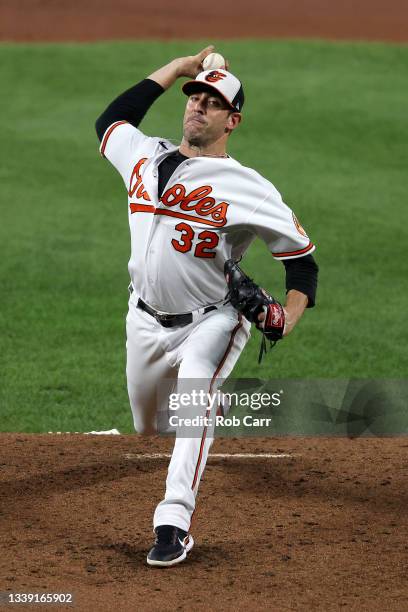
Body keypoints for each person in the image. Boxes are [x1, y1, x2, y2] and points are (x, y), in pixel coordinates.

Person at [95, 46, 318, 567]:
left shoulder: (249, 187)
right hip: (144, 321)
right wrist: (177, 67)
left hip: (211, 320)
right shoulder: (143, 154)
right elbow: (111, 120)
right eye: (195, 96)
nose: (198, 104)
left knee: (195, 393)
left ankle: (172, 522)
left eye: (212, 101)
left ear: (231, 121)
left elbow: (302, 264)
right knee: (150, 425)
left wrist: (286, 320)